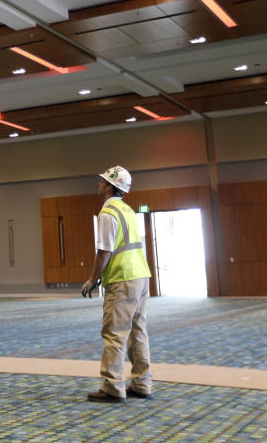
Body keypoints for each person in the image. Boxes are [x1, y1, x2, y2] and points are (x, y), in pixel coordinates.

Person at [81, 165, 153, 403]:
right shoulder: (128, 210)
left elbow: (104, 251)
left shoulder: (107, 213)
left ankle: (113, 387)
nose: (99, 184)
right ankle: (142, 384)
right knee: (137, 332)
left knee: (115, 333)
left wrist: (93, 279)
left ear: (110, 186)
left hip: (122, 279)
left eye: (103, 181)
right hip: (141, 276)